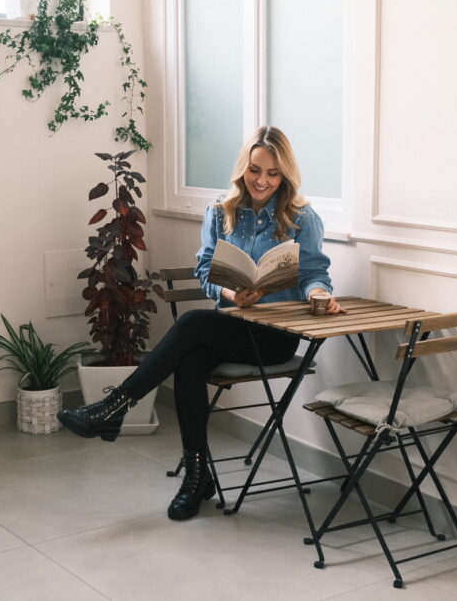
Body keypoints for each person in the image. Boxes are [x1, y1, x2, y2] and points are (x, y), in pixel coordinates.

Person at [57, 126, 346, 521]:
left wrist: (318, 295)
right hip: (232, 324)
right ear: (243, 167)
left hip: (276, 335)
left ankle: (115, 406)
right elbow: (206, 269)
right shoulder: (221, 212)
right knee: (190, 363)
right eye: (255, 169)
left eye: (273, 174)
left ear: (285, 175)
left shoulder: (301, 217)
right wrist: (230, 295)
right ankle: (197, 476)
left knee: (193, 323)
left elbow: (315, 271)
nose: (262, 181)